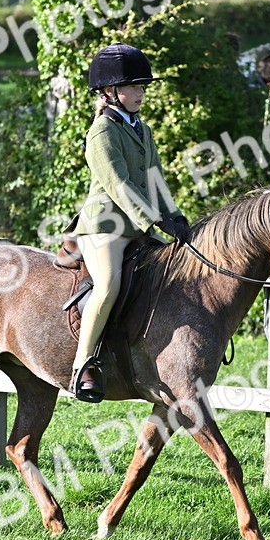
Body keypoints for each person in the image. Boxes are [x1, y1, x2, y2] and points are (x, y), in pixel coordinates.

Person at [71, 42, 189, 403]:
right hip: (104, 227)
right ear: (110, 92)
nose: (140, 93)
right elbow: (119, 185)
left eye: (142, 87)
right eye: (134, 87)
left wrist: (174, 214)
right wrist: (153, 220)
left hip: (139, 227)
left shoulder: (142, 129)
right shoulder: (102, 132)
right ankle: (83, 364)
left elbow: (155, 179)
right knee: (107, 285)